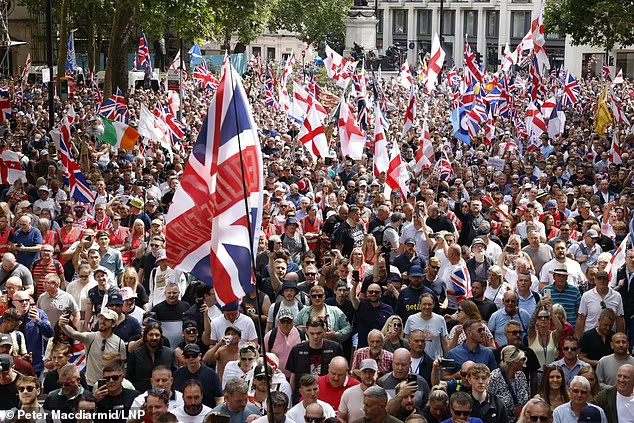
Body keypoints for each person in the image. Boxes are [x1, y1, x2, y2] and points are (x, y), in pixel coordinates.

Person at [58, 308, 126, 386]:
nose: (102, 321)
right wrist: (63, 325)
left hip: (110, 384)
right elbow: (73, 333)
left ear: (113, 323)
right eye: (101, 318)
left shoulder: (119, 343)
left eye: (106, 319)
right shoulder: (91, 337)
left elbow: (122, 366)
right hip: (91, 384)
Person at [286, 318, 344, 393]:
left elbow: (342, 374)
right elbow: (293, 377)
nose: (315, 337)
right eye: (312, 333)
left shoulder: (335, 348)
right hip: (303, 394)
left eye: (319, 333)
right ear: (306, 331)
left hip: (327, 392)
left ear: (324, 331)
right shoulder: (297, 350)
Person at [126, 322, 177, 393]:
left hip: (164, 394)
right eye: (151, 335)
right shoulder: (135, 354)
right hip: (141, 395)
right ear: (145, 337)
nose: (154, 338)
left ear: (161, 337)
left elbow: (175, 377)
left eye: (157, 335)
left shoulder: (170, 353)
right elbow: (130, 378)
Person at [576, 270, 625, 339]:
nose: (602, 281)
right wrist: (579, 338)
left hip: (609, 335)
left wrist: (620, 337)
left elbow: (619, 319)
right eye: (599, 279)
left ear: (608, 281)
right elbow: (581, 318)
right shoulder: (586, 296)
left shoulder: (617, 296)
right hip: (590, 336)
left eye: (604, 279)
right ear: (595, 280)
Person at [379, 348, 430, 414]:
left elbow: (427, 409)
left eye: (403, 365)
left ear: (410, 364)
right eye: (397, 364)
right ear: (392, 363)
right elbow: (381, 411)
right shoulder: (382, 382)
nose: (400, 368)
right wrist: (401, 395)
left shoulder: (421, 383)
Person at [488, 345, 530, 423]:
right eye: (522, 360)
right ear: (513, 362)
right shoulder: (495, 377)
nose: (524, 363)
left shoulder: (521, 375)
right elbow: (490, 401)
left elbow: (527, 395)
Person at [173, 343, 223, 408]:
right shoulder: (178, 373)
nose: (191, 358)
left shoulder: (211, 374)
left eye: (194, 355)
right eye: (187, 356)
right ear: (184, 357)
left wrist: (217, 412)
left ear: (200, 356)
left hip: (208, 411)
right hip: (183, 411)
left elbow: (219, 398)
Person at [93, 358, 140, 423]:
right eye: (107, 379)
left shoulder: (135, 396)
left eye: (115, 378)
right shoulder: (98, 398)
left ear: (122, 378)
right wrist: (93, 401)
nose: (111, 381)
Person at [404, 293, 448, 359]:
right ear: (419, 304)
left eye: (429, 304)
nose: (427, 307)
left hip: (435, 359)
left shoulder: (440, 319)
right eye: (424, 304)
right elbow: (406, 341)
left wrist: (446, 359)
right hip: (416, 359)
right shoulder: (411, 319)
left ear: (433, 305)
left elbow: (445, 343)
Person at [339, 359, 380, 423]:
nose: (367, 375)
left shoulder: (384, 396)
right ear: (360, 373)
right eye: (364, 372)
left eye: (371, 372)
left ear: (377, 374)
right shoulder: (348, 393)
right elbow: (340, 417)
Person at [528, 301, 563, 368]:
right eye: (540, 317)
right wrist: (538, 307)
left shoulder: (553, 335)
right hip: (536, 372)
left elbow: (560, 329)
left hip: (551, 371)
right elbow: (531, 326)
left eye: (546, 317)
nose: (543, 319)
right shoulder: (533, 335)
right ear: (537, 320)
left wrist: (551, 311)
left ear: (549, 320)